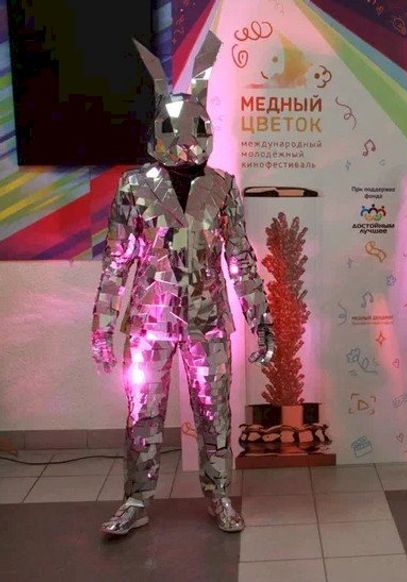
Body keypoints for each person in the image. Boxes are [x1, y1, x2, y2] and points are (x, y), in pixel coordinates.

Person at [91, 32, 275, 536]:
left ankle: (219, 495)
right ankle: (136, 499)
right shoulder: (134, 186)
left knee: (215, 413)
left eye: (195, 127)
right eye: (175, 128)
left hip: (208, 320)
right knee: (142, 413)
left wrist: (261, 319)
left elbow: (239, 257)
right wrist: (102, 327)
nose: (185, 138)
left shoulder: (222, 187)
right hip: (149, 321)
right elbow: (117, 262)